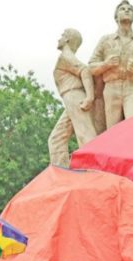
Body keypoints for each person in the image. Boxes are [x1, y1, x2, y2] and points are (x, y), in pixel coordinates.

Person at [89, 0, 133, 128]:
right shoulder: (105, 40)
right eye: (122, 9)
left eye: (129, 9)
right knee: (112, 130)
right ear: (116, 17)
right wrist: (106, 64)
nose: (126, 11)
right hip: (111, 87)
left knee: (132, 127)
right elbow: (91, 67)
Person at [48, 28, 98, 167]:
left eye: (62, 35)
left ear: (68, 40)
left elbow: (85, 70)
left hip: (75, 97)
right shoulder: (66, 56)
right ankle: (61, 174)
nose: (59, 38)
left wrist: (89, 97)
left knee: (85, 135)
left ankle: (95, 170)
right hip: (70, 99)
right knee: (56, 139)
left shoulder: (66, 55)